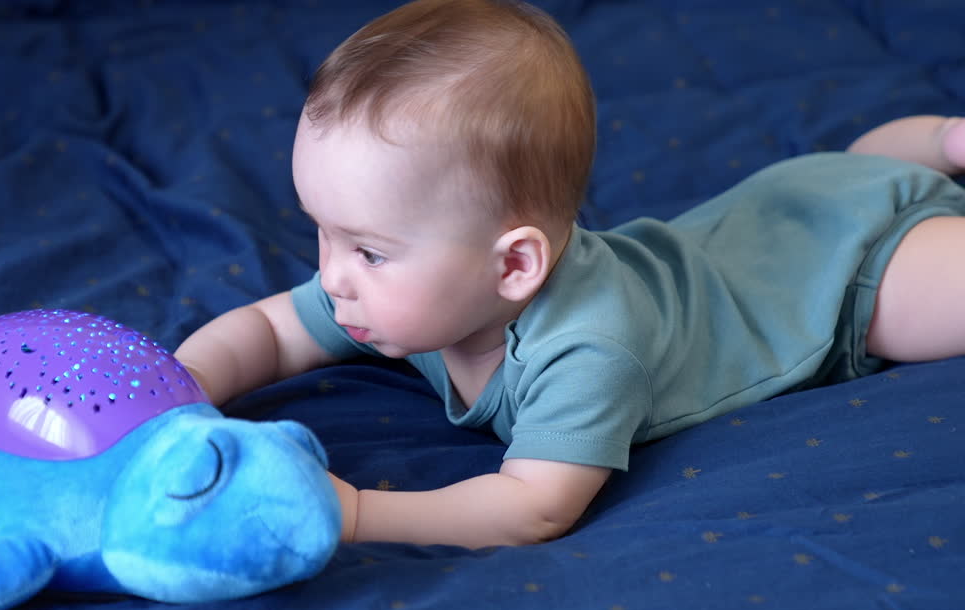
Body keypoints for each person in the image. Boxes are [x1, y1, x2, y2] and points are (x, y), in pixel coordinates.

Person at [174, 0, 965, 550]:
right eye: (323, 234)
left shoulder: (588, 349)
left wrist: (349, 512)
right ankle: (935, 143)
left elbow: (530, 508)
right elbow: (270, 330)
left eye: (368, 251)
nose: (333, 277)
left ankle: (938, 146)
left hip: (849, 279)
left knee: (919, 284)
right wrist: (177, 385)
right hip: (782, 207)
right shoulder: (393, 298)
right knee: (849, 173)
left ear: (514, 265)